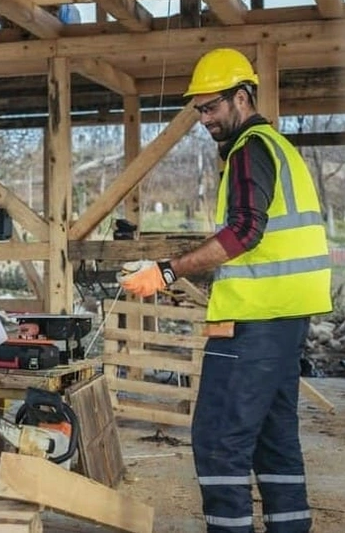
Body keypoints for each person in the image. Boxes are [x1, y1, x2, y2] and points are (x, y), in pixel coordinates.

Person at [119, 48, 331, 533]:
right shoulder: (279, 148)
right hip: (286, 319)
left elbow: (243, 232)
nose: (204, 119)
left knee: (218, 439)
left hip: (252, 324)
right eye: (198, 110)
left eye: (211, 107)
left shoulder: (249, 149)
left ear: (242, 97)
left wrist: (170, 271)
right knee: (275, 442)